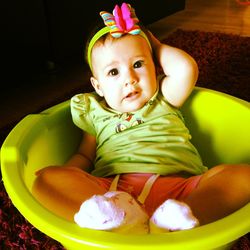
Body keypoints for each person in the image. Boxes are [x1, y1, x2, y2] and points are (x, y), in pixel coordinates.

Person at [32, 2, 250, 234]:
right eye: (114, 72)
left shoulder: (164, 97)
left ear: (156, 68)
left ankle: (178, 220)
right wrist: (69, 178)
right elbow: (85, 155)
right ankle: (117, 221)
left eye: (138, 64)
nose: (130, 79)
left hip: (181, 190)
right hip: (113, 192)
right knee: (45, 180)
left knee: (242, 176)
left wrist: (151, 42)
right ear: (98, 86)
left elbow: (186, 69)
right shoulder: (94, 111)